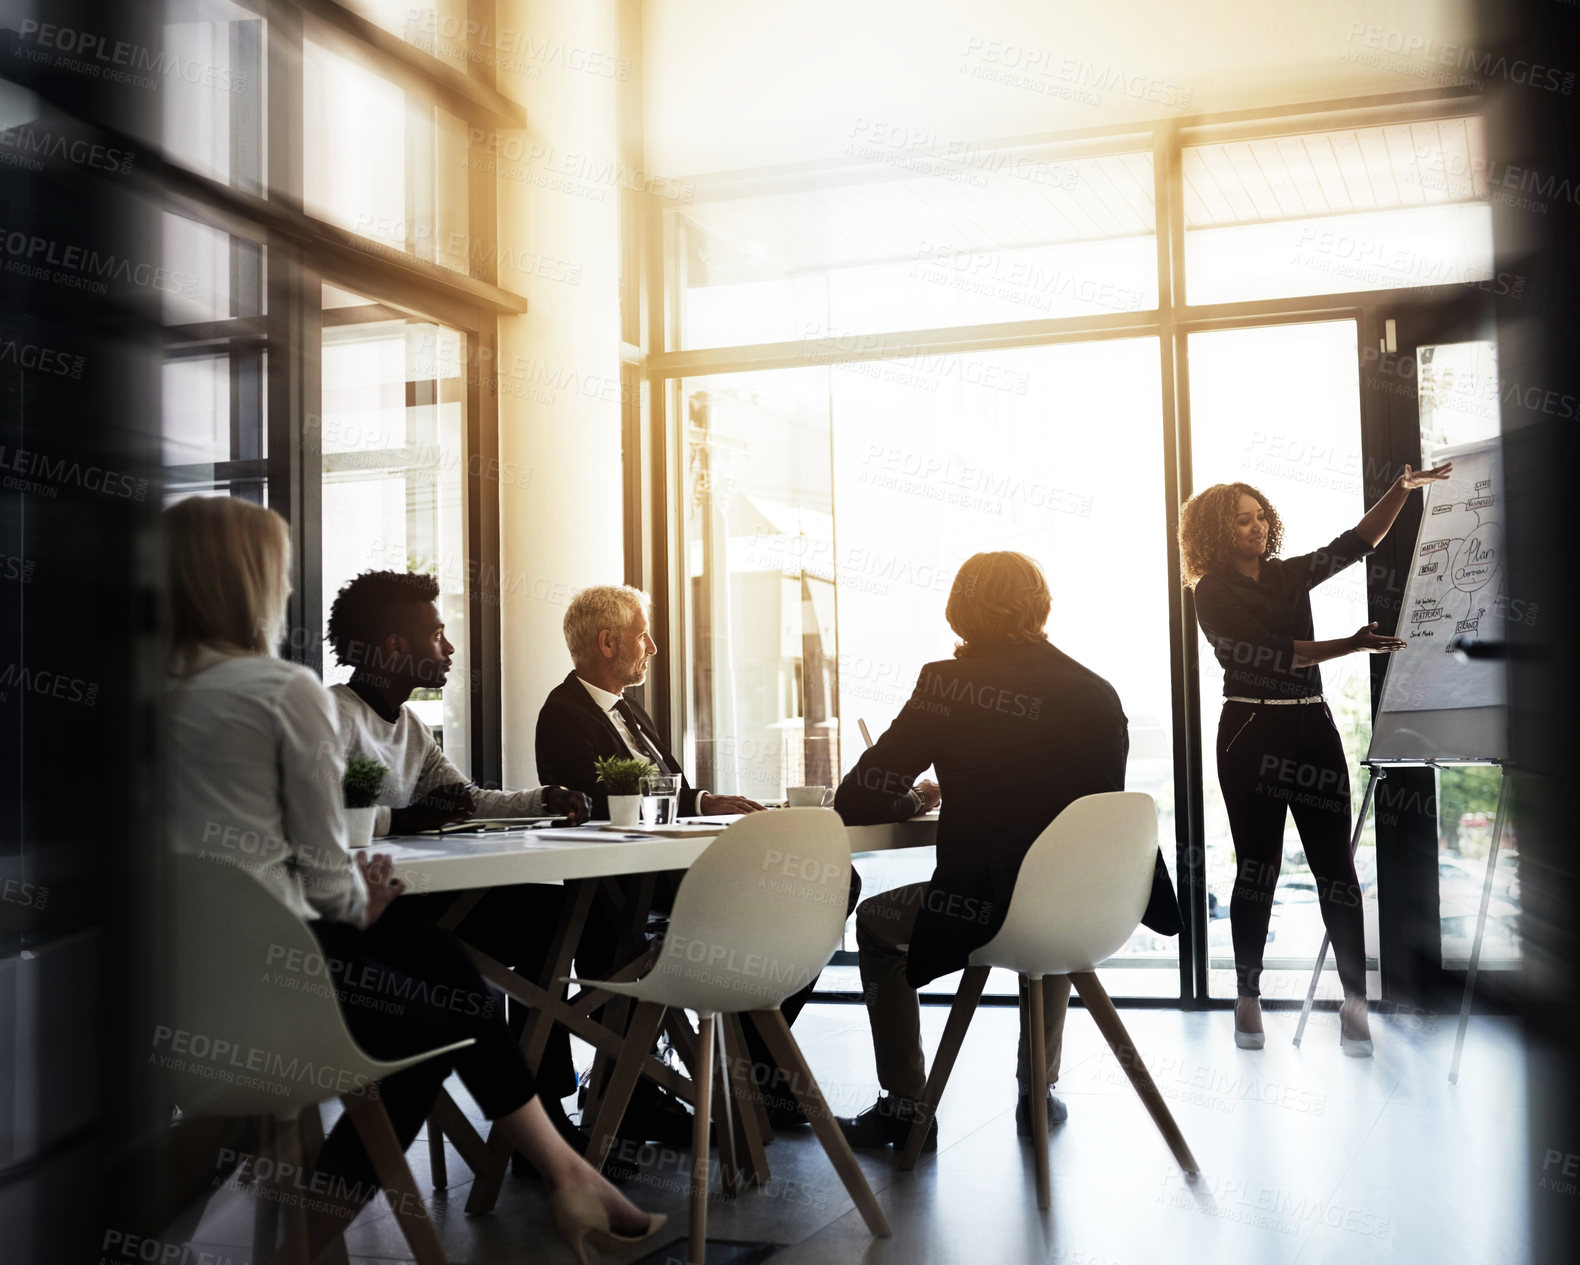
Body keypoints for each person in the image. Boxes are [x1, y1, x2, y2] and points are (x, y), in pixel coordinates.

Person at [163, 496, 663, 1259]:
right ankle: (554, 1167)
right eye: (437, 633)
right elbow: (334, 879)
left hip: (182, 975)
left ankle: (563, 1165)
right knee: (439, 997)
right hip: (285, 976)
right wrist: (370, 873)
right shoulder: (298, 699)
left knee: (451, 959)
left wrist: (538, 802)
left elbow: (457, 798)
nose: (450, 645)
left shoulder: (156, 699)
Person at [833, 552, 1182, 1152]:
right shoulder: (1098, 690)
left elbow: (856, 796)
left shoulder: (949, 683)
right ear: (1041, 604)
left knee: (875, 921)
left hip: (988, 906)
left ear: (960, 609)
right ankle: (1037, 1093)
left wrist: (916, 800)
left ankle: (905, 1106)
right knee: (1051, 902)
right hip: (1097, 904)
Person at [536, 584, 858, 1128]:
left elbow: (668, 790)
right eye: (644, 636)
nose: (654, 648)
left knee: (835, 880)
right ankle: (758, 1075)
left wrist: (708, 801)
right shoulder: (564, 715)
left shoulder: (630, 711)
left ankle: (757, 1066)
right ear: (609, 642)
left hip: (675, 867)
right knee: (829, 880)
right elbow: (600, 809)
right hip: (636, 887)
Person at [1179, 462, 1451, 1056]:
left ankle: (1354, 1002)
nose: (1256, 527)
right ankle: (1246, 995)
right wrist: (1352, 643)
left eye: (1259, 517)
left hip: (1313, 723)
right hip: (1252, 729)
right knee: (1259, 867)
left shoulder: (1286, 575)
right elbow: (1270, 655)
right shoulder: (1211, 591)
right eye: (1241, 521)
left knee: (1337, 868)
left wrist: (1399, 491)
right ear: (1217, 533)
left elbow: (1357, 543)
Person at [324, 569, 591, 836]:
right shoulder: (328, 715)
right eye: (437, 636)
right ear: (396, 647)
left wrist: (546, 799)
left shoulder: (413, 728)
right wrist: (407, 819)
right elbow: (316, 815)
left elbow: (470, 802)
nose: (450, 648)